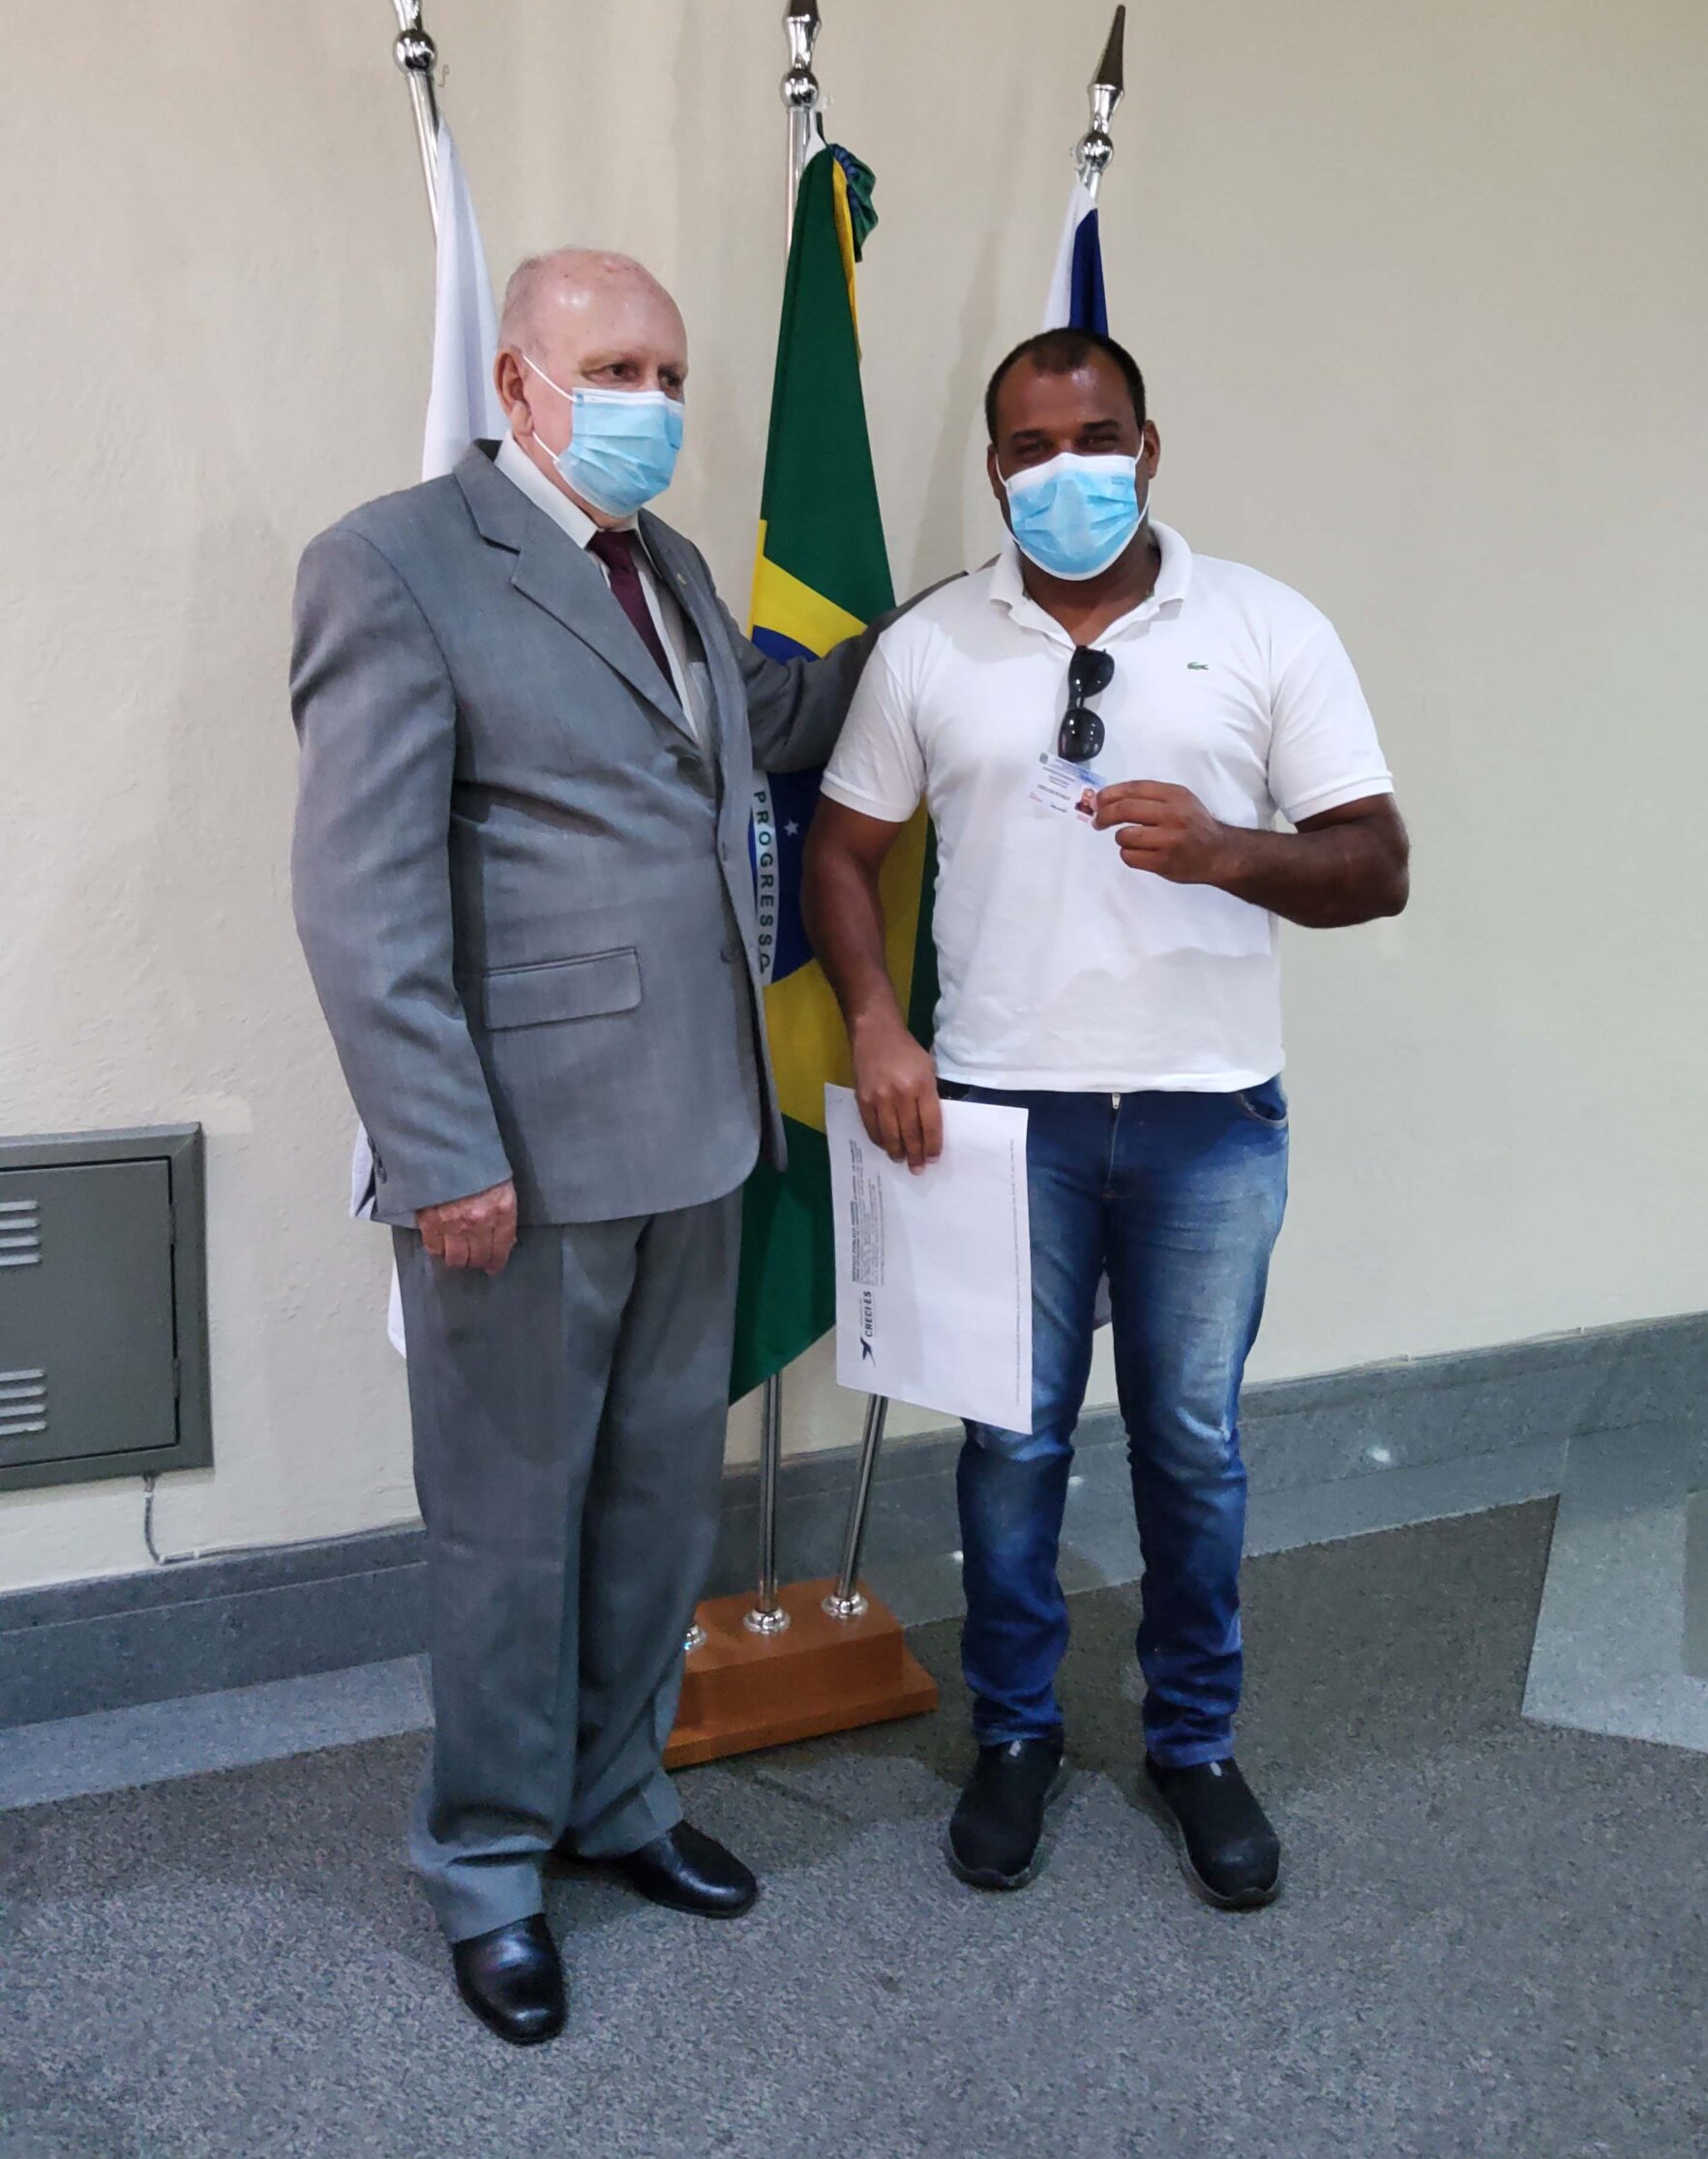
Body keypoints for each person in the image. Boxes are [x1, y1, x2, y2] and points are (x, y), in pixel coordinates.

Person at [290, 249, 884, 2045]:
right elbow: (359, 900)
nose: (652, 404)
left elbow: (750, 734)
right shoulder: (393, 563)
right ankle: (486, 1864)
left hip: (698, 1130)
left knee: (649, 1512)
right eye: (615, 368)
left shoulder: (672, 567)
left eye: (671, 375)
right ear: (517, 383)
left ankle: (617, 1802)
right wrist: (440, 1152)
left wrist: (943, 618)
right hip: (519, 1163)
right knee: (506, 1534)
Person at [804, 326, 1408, 1909]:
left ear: (1147, 449)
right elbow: (842, 850)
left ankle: (1194, 1744)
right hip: (1002, 1116)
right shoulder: (934, 645)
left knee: (1191, 1447)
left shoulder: (1265, 626)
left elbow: (1377, 863)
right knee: (1010, 1445)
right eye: (1031, 448)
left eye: (1096, 439)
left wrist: (1225, 852)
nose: (1065, 471)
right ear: (995, 468)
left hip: (1210, 1120)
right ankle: (1016, 1735)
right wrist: (877, 1020)